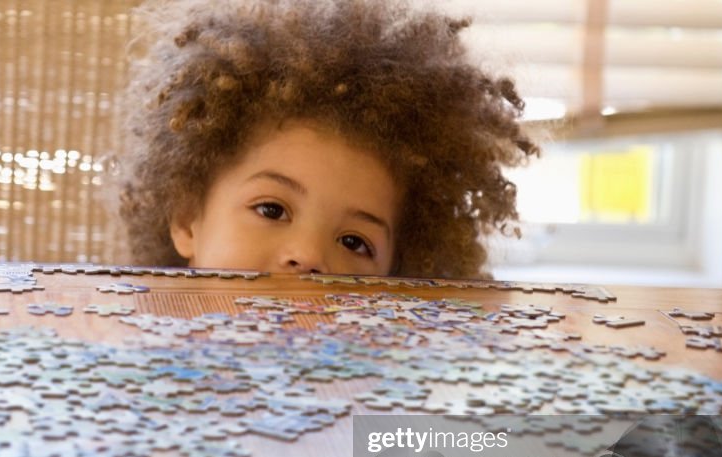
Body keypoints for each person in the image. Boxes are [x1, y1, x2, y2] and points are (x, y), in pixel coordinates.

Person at [113, 0, 538, 278]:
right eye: (272, 209)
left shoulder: (383, 409)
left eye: (355, 243)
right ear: (188, 219)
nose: (309, 256)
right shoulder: (126, 376)